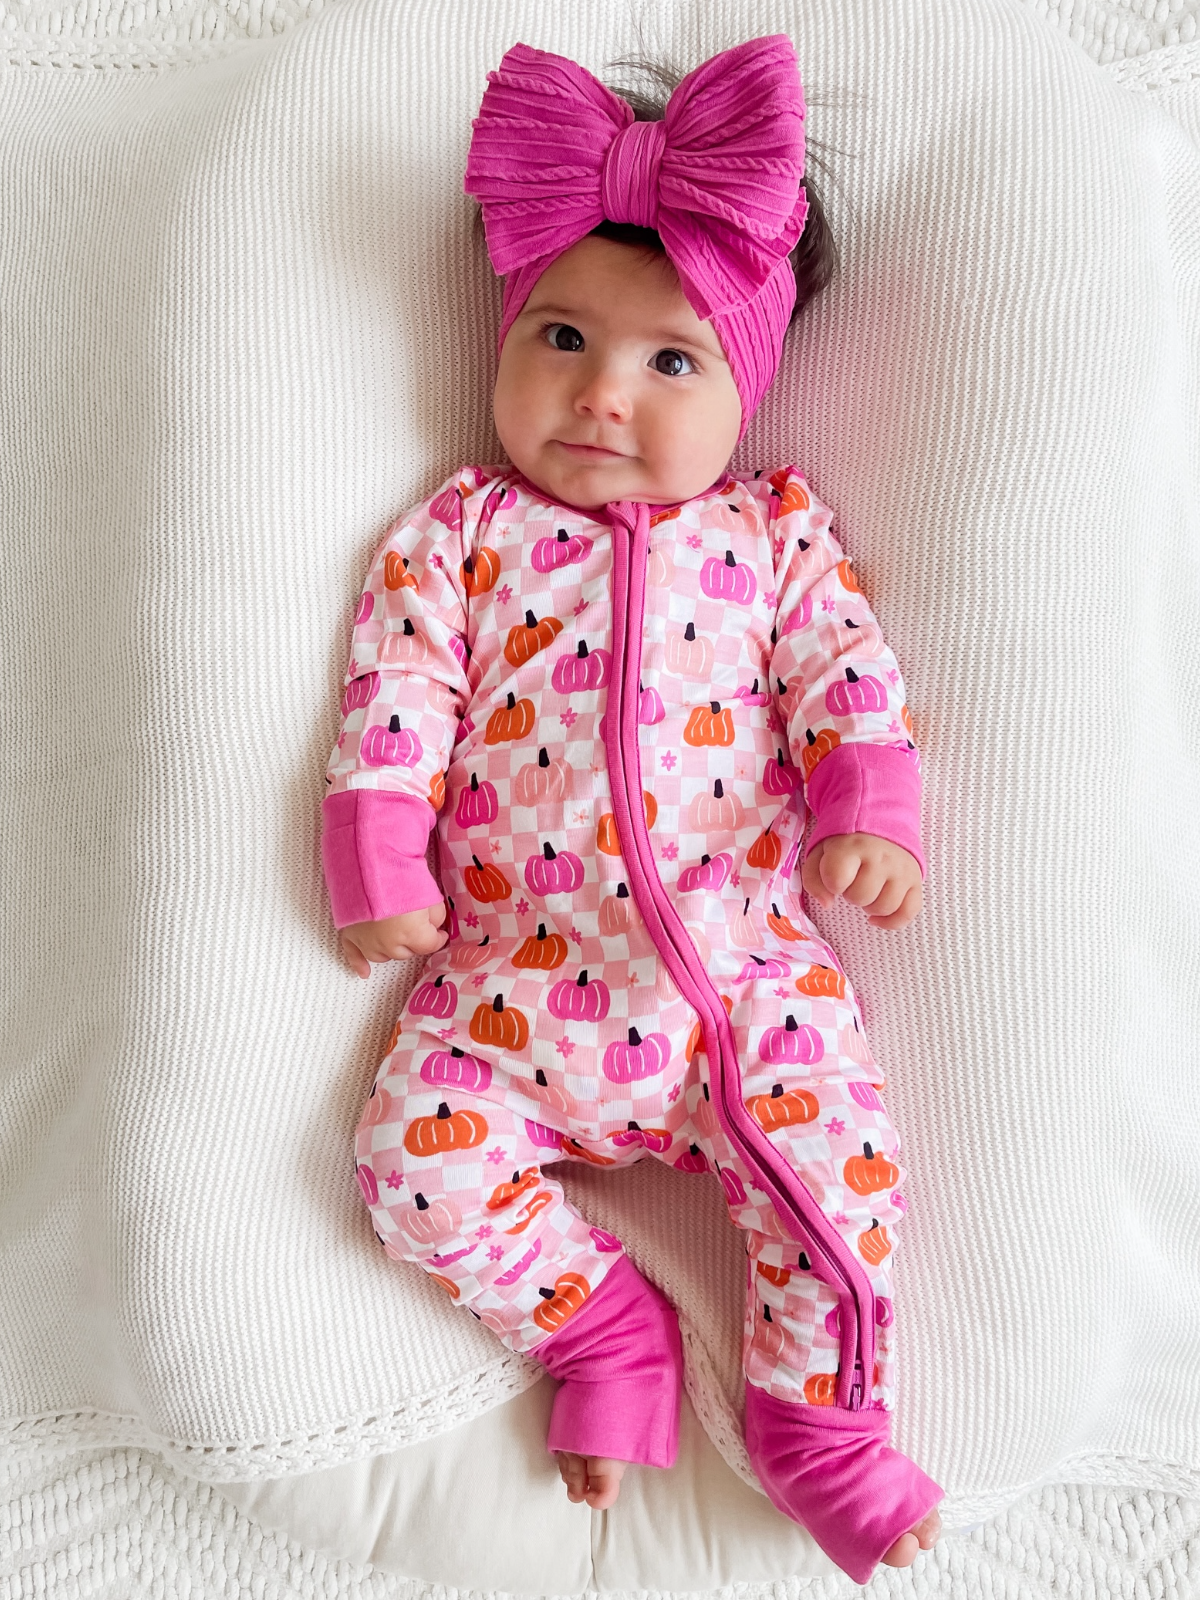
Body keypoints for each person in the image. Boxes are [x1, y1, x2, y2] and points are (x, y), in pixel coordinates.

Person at [321, 34, 943, 1585]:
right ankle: (606, 1326)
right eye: (560, 337)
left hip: (745, 982)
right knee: (408, 1158)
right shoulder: (462, 536)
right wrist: (378, 848)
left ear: (750, 381)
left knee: (842, 1189)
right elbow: (396, 696)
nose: (601, 396)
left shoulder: (775, 530)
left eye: (671, 363)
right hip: (517, 984)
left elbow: (844, 674)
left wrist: (873, 804)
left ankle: (821, 1426)